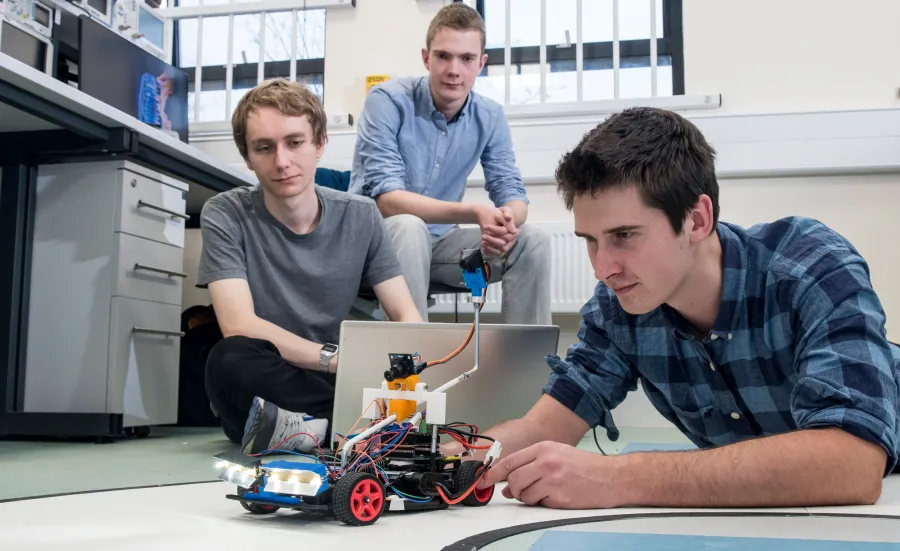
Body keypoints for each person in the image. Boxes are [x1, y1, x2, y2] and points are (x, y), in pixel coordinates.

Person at [450, 106, 900, 509]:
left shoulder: (810, 267)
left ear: (697, 220)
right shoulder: (618, 307)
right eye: (590, 241)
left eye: (625, 236)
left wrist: (616, 478)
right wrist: (442, 458)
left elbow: (853, 462)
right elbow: (542, 428)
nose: (603, 268)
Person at [197, 79, 422, 455]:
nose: (282, 162)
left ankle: (316, 429)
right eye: (264, 148)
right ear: (248, 157)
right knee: (228, 358)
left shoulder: (361, 214)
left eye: (295, 142)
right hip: (272, 377)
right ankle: (357, 427)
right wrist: (338, 361)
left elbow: (405, 313)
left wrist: (418, 372)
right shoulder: (225, 212)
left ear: (320, 144)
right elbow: (239, 325)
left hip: (332, 381)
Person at [348, 4, 551, 325]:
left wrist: (506, 220)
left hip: (439, 247)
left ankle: (524, 366)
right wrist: (473, 213)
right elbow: (388, 201)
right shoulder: (386, 100)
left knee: (532, 240)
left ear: (481, 63)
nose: (454, 69)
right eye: (443, 56)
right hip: (371, 247)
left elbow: (511, 190)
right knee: (408, 225)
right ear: (426, 58)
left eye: (467, 59)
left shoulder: (490, 116)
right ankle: (411, 365)